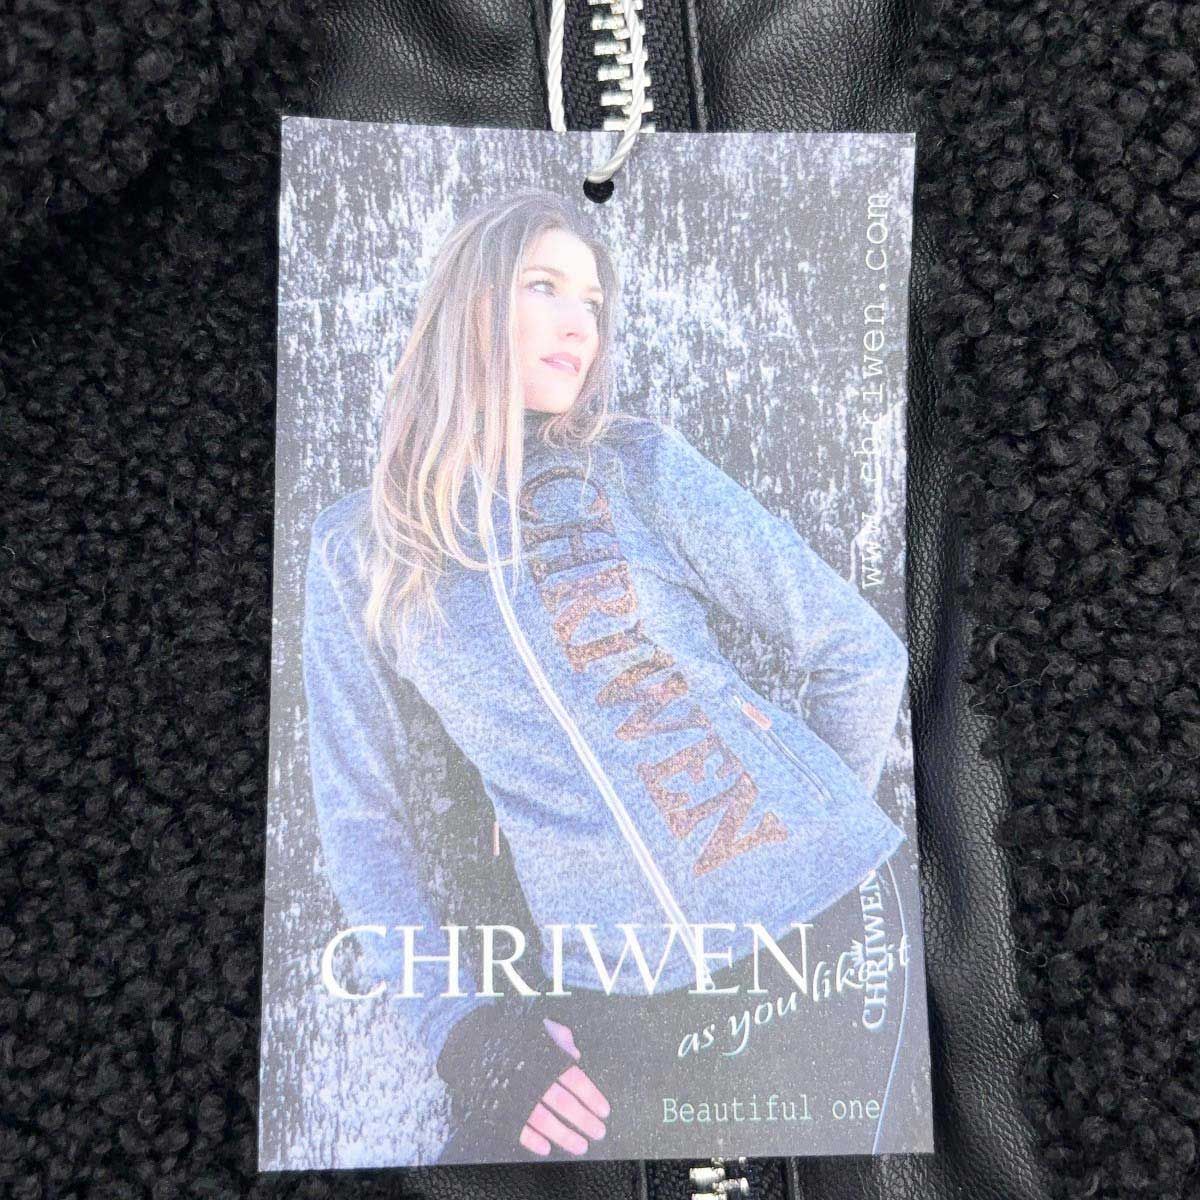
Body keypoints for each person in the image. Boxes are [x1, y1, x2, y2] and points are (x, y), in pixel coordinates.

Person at [301, 190, 910, 1164]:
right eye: (545, 286)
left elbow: (858, 651)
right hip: (613, 989)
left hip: (830, 931)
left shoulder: (636, 465)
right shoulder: (360, 549)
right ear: (469, 301)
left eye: (592, 301)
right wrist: (459, 1032)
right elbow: (360, 822)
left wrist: (804, 841)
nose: (579, 323)